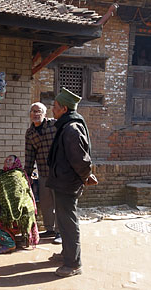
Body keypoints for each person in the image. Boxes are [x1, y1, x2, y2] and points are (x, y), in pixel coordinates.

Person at [46, 87, 98, 277]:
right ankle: (67, 254)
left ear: (65, 109)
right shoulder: (66, 125)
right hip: (63, 181)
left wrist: (86, 176)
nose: (53, 109)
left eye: (55, 106)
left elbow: (80, 159)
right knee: (64, 220)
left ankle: (74, 264)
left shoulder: (71, 129)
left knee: (68, 223)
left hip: (67, 183)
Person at [0, 155, 40, 254]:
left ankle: (9, 243)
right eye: (6, 160)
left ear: (15, 163)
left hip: (17, 209)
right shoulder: (3, 173)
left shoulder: (16, 175)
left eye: (10, 160)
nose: (7, 161)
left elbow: (9, 192)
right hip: (4, 204)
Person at [24, 102, 61, 244]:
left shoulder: (55, 125)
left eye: (38, 111)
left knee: (59, 203)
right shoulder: (30, 133)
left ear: (45, 113)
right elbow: (29, 155)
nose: (35, 113)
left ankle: (60, 232)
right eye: (33, 111)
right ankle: (50, 229)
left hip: (58, 172)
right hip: (43, 172)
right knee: (46, 203)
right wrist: (27, 174)